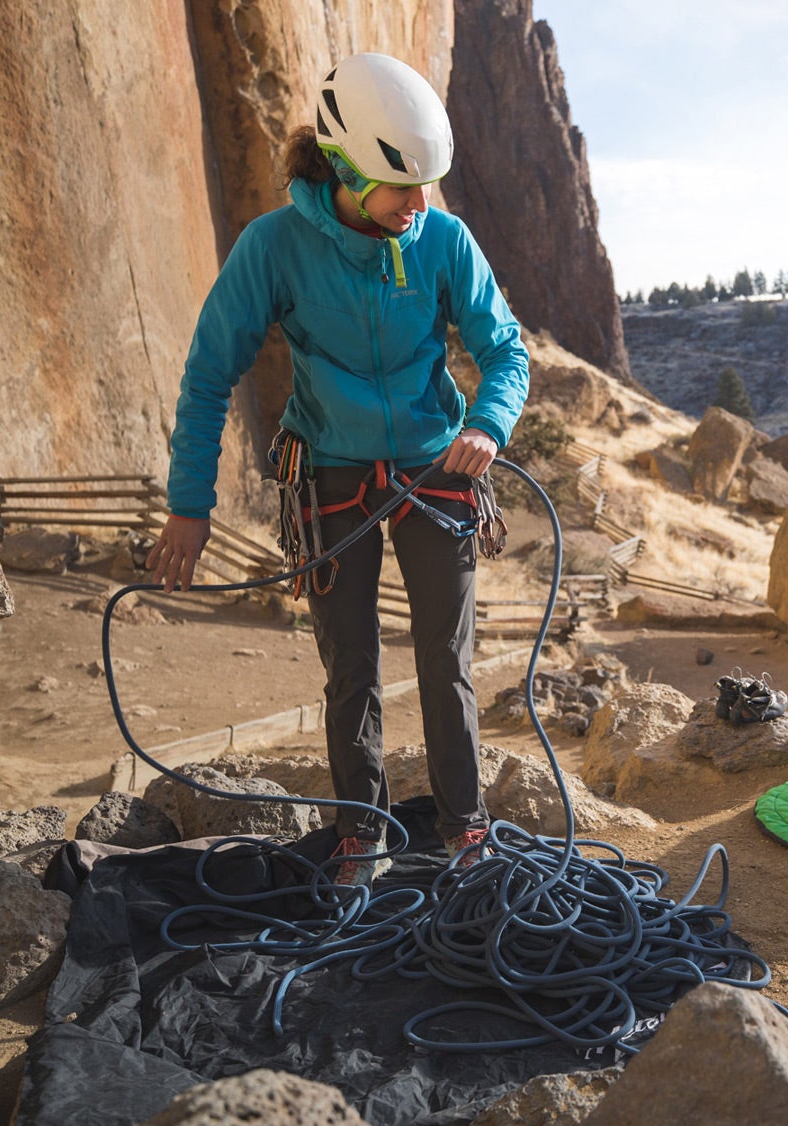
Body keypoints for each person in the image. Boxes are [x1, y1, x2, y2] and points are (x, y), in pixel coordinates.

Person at [146, 53, 529, 886]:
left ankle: (464, 826)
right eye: (403, 189)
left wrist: (489, 427)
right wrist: (189, 505)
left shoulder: (441, 240)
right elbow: (212, 371)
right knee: (350, 665)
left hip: (436, 471)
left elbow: (505, 352)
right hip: (331, 475)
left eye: (428, 186)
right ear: (347, 170)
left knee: (447, 660)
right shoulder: (275, 247)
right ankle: (363, 831)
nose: (420, 205)